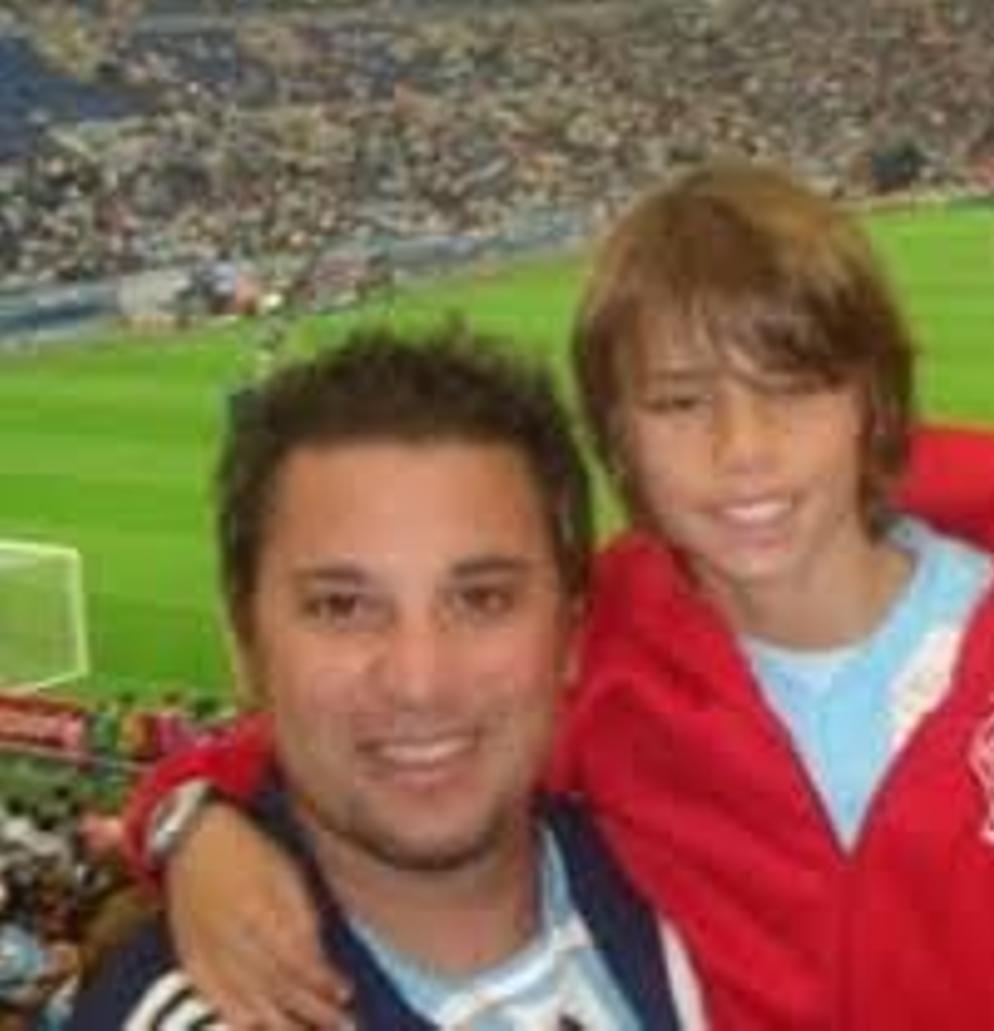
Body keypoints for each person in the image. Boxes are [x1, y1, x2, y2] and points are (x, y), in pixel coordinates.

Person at [120, 163, 994, 1029]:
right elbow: (403, 734)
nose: (743, 451)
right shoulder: (614, 640)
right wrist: (195, 818)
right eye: (681, 402)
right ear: (617, 442)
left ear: (874, 403)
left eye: (792, 388)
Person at [69, 328, 707, 1030]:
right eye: (342, 606)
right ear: (244, 644)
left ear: (571, 633)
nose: (419, 680)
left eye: (483, 597)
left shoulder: (679, 881)